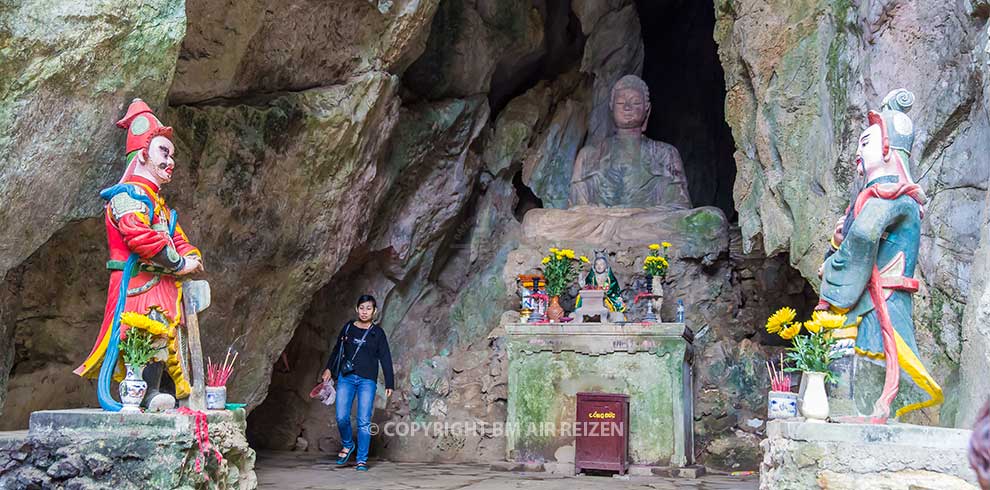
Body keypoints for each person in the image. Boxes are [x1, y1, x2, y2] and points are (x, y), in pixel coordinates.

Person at [74, 99, 204, 412]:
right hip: (137, 282)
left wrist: (190, 258)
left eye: (171, 154)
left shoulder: (157, 204)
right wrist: (178, 263)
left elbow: (179, 239)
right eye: (164, 152)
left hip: (160, 283)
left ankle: (162, 391)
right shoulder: (126, 196)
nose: (170, 161)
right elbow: (138, 237)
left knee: (166, 337)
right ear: (143, 154)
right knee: (141, 334)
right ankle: (142, 393)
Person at [322, 295, 394, 471]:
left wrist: (390, 383)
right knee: (341, 416)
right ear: (357, 309)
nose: (364, 311)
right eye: (362, 307)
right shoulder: (348, 328)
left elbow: (385, 358)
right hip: (346, 378)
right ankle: (348, 444)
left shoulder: (378, 333)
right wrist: (329, 369)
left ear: (374, 311)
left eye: (368, 308)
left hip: (367, 381)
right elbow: (337, 351)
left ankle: (362, 459)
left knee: (363, 420)